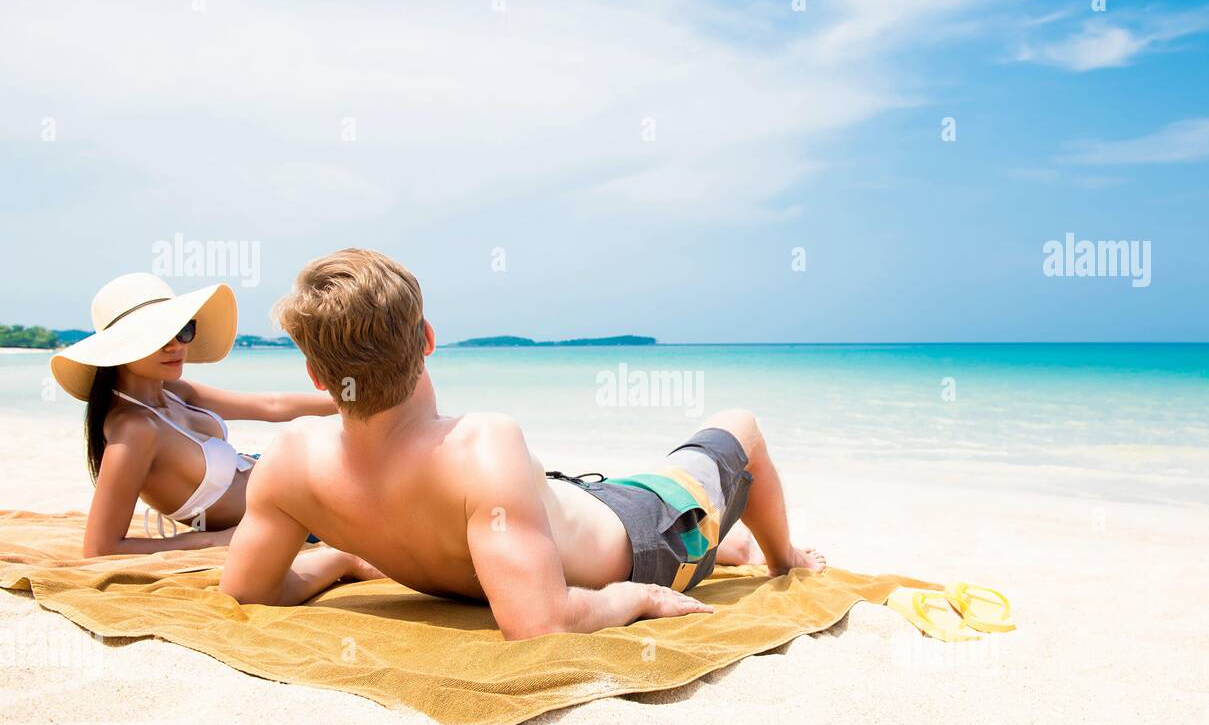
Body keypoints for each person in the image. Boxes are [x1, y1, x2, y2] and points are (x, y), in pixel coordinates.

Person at [221, 249, 825, 637]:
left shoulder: (291, 461)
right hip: (648, 541)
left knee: (597, 492)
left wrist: (337, 558)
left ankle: (734, 547)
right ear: (428, 338)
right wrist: (635, 599)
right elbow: (540, 624)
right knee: (740, 427)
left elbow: (250, 588)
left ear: (317, 377)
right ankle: (783, 559)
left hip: (577, 509)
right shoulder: (482, 445)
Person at [51, 273, 339, 557]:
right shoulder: (134, 428)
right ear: (120, 348)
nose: (175, 345)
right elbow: (101, 548)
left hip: (284, 479)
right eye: (157, 337)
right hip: (296, 510)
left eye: (182, 330)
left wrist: (352, 398)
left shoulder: (173, 390)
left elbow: (270, 406)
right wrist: (212, 540)